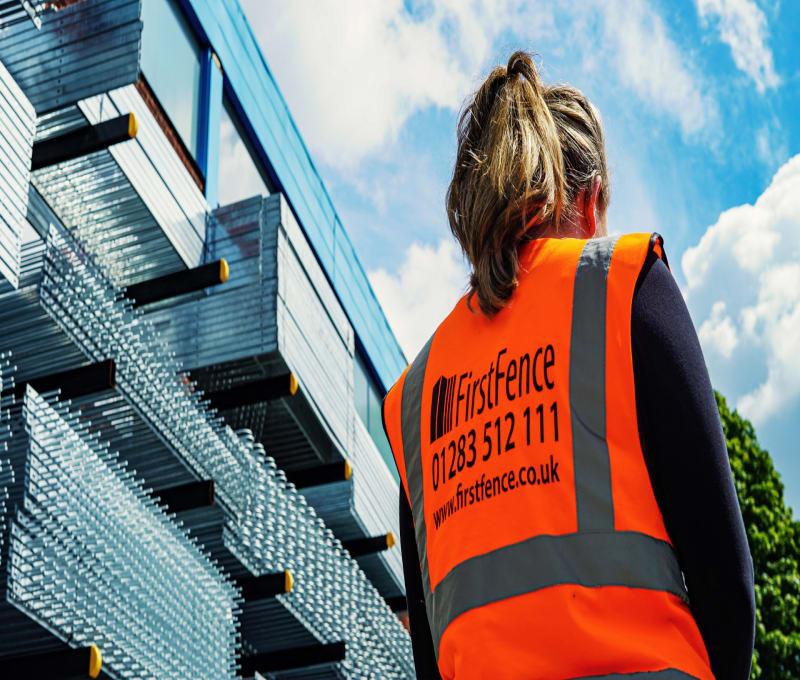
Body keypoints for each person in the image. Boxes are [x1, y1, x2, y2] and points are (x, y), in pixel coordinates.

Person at [382, 51, 755, 680]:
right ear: (590, 198)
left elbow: (431, 657)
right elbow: (726, 581)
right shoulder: (625, 289)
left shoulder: (415, 400)